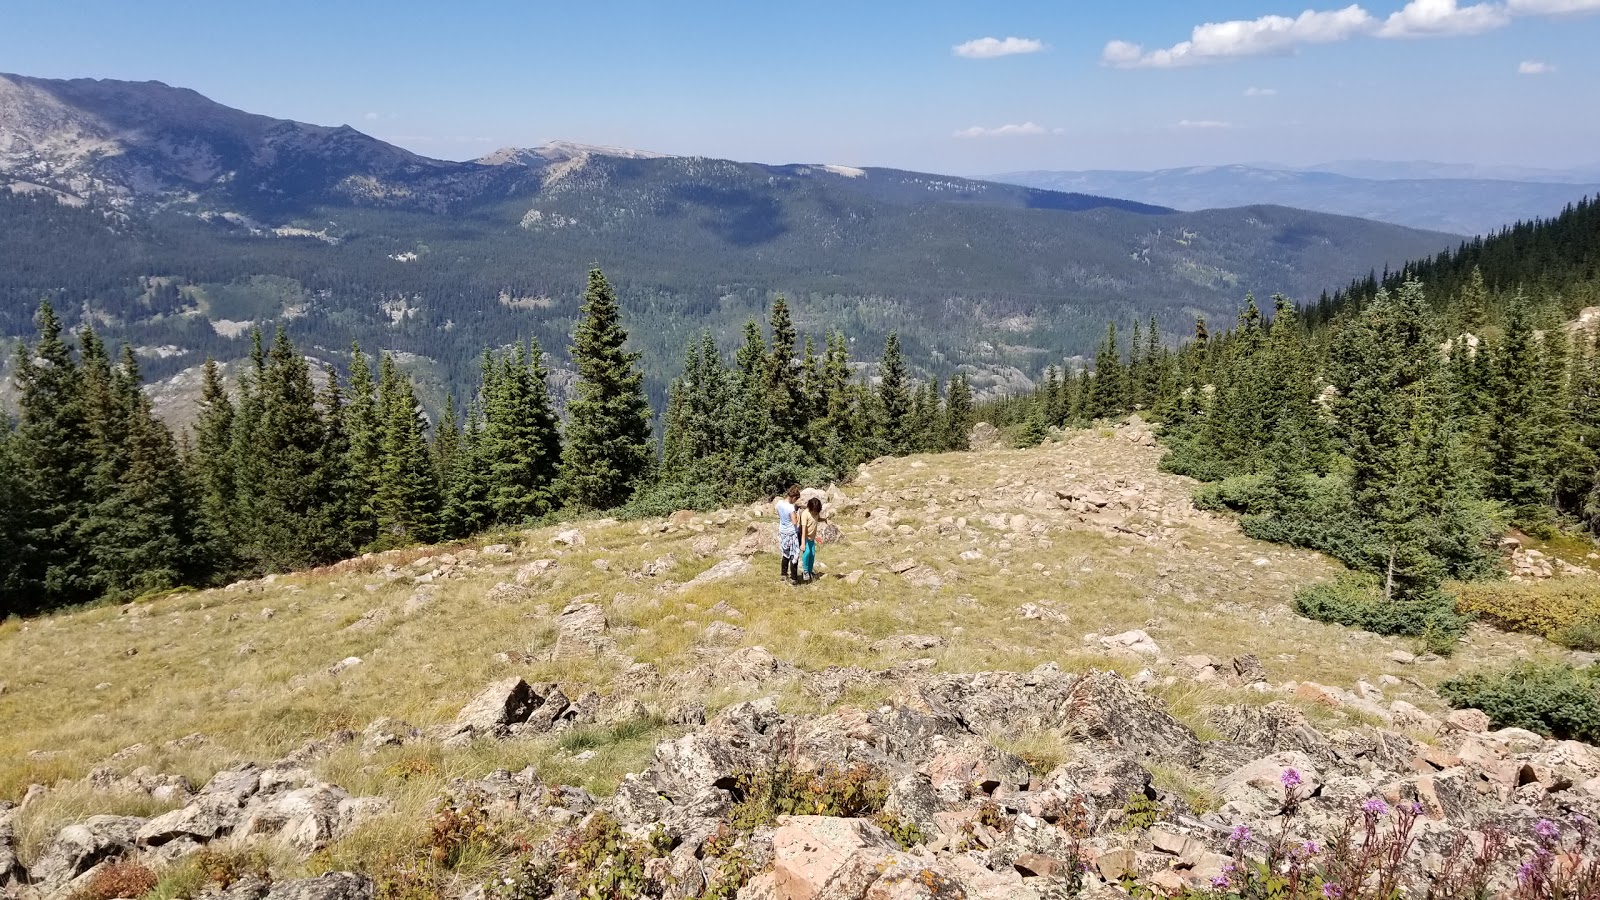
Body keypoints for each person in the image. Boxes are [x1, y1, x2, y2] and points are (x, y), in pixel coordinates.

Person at [774, 485, 801, 582]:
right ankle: (794, 578)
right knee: (794, 555)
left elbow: (777, 511)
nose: (795, 501)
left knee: (785, 553)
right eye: (796, 499)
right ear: (794, 497)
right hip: (791, 533)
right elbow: (795, 522)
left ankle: (783, 574)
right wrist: (797, 513)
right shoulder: (790, 508)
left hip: (782, 531)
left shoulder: (779, 503)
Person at [797, 496, 822, 583]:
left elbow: (817, 519)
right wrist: (803, 543)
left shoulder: (816, 513)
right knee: (807, 553)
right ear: (810, 508)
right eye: (814, 511)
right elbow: (803, 530)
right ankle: (805, 571)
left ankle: (810, 571)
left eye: (817, 511)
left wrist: (824, 519)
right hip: (806, 537)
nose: (815, 513)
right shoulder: (805, 514)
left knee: (812, 554)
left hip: (812, 538)